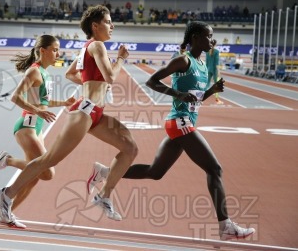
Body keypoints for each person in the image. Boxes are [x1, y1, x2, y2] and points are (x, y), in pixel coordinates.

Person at [89, 21, 256, 241]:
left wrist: (210, 91)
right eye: (208, 36)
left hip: (184, 121)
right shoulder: (183, 60)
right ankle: (225, 225)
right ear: (195, 37)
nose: (212, 40)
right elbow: (152, 81)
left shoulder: (202, 64)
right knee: (214, 169)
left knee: (155, 172)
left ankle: (104, 173)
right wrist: (176, 94)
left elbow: (194, 99)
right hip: (180, 122)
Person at [0, 5, 138, 227]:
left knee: (130, 148)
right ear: (95, 26)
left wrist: (93, 83)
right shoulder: (98, 45)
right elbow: (110, 76)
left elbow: (70, 73)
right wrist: (120, 58)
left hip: (95, 111)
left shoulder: (86, 48)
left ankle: (103, 194)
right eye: (109, 22)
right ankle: (7, 194)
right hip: (85, 111)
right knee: (48, 160)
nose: (112, 26)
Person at [0, 35, 76, 228]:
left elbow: (42, 101)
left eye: (58, 50)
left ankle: (6, 213)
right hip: (26, 127)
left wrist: (63, 103)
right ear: (42, 51)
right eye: (54, 50)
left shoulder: (45, 73)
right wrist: (37, 111)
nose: (58, 54)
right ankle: (7, 160)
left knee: (34, 177)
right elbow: (15, 97)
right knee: (47, 172)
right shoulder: (34, 72)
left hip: (37, 128)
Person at [206, 39, 224, 104]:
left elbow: (206, 62)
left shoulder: (207, 51)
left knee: (206, 84)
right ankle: (217, 99)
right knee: (217, 85)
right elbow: (217, 63)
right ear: (215, 44)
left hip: (208, 69)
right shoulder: (216, 51)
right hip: (214, 70)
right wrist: (218, 71)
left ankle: (200, 97)